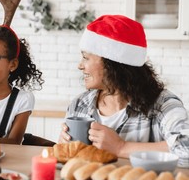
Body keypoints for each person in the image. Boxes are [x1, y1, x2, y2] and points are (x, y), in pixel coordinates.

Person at [59, 14, 189, 168]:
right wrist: (64, 146)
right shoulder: (79, 104)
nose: (80, 66)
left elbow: (186, 148)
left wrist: (121, 147)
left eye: (86, 58)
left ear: (111, 64)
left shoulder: (162, 104)